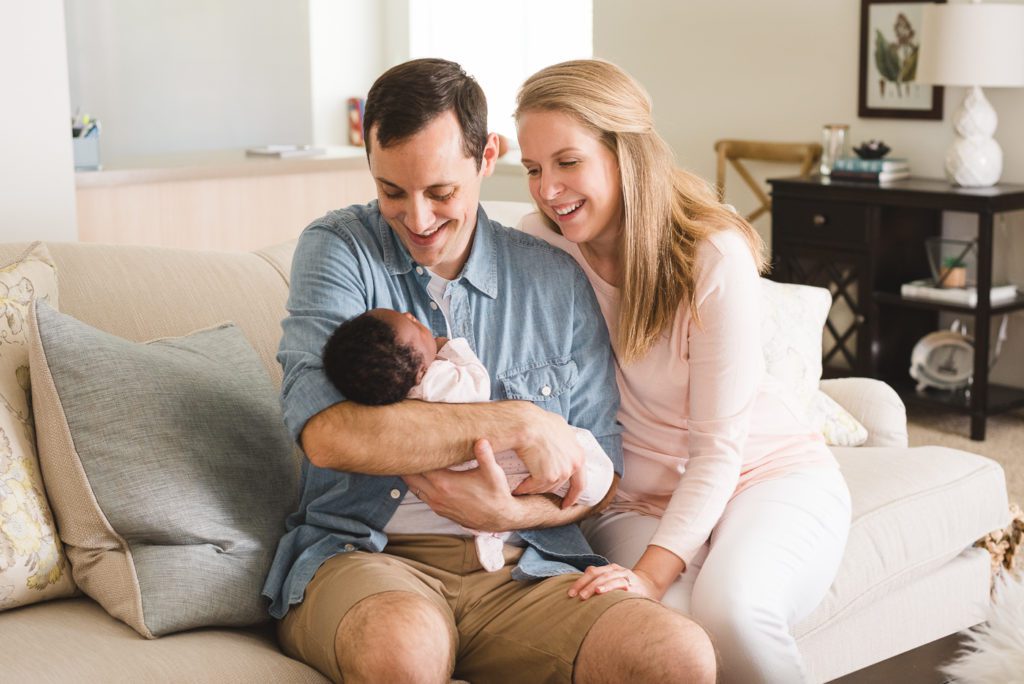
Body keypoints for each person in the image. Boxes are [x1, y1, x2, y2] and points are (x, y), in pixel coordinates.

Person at [261, 58, 716, 684]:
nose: (417, 221)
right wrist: (519, 423)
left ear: (486, 158)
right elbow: (329, 434)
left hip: (526, 567)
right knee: (405, 647)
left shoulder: (555, 277)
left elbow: (604, 477)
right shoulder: (340, 249)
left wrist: (511, 516)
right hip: (372, 557)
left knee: (676, 655)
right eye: (391, 191)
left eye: (440, 192)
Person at [515, 59, 852, 684]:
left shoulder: (711, 255)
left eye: (567, 162)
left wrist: (648, 572)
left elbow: (718, 452)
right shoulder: (541, 244)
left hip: (764, 476)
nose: (547, 189)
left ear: (626, 154)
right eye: (533, 169)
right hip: (630, 499)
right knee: (665, 635)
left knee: (732, 609)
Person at [320, 307, 615, 571]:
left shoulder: (391, 399)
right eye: (412, 324)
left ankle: (490, 532)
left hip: (466, 471)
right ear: (420, 368)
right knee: (586, 463)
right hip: (495, 457)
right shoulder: (436, 380)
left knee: (511, 489)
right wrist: (451, 348)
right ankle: (495, 528)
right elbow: (477, 383)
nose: (413, 316)